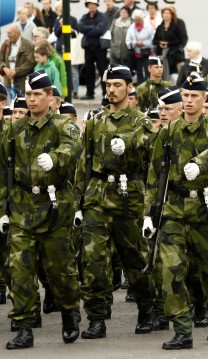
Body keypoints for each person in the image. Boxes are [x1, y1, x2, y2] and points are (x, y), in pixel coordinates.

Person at [142, 74, 208, 349]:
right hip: (174, 210)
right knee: (170, 270)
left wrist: (201, 164)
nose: (190, 100)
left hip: (205, 209)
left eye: (195, 96)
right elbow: (156, 174)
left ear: (205, 99)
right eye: (186, 95)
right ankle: (182, 330)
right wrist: (149, 212)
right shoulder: (168, 132)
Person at [0, 70, 81, 350]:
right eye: (29, 95)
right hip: (22, 208)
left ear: (50, 97)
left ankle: (70, 311)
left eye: (37, 94)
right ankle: (24, 326)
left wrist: (55, 157)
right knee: (19, 270)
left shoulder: (61, 125)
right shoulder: (14, 129)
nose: (32, 100)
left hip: (54, 208)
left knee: (60, 271)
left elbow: (74, 146)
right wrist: (3, 208)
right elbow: (3, 170)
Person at [75, 64, 157, 339]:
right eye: (108, 85)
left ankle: (148, 308)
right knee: (93, 261)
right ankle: (97, 317)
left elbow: (149, 143)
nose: (111, 90)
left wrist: (128, 141)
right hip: (97, 196)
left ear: (129, 87)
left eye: (117, 85)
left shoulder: (140, 120)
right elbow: (84, 162)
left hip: (128, 197)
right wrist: (79, 200)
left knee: (134, 259)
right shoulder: (96, 120)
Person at [79, 0, 109, 100]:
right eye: (90, 4)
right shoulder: (84, 16)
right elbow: (80, 27)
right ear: (88, 6)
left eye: (93, 4)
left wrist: (88, 30)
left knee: (102, 70)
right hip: (88, 48)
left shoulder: (102, 17)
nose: (91, 6)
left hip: (99, 48)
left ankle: (106, 92)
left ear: (96, 5)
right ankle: (89, 93)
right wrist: (93, 29)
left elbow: (101, 30)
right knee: (89, 71)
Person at [153, 6, 188, 80]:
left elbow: (181, 40)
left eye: (168, 13)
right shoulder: (160, 27)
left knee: (175, 75)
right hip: (162, 54)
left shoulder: (176, 25)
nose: (166, 15)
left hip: (173, 54)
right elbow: (154, 40)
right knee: (163, 73)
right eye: (164, 13)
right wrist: (160, 43)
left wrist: (168, 44)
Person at [0, 24, 36, 94]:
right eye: (7, 33)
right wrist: (4, 68)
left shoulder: (28, 45)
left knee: (22, 104)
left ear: (17, 33)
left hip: (22, 83)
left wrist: (16, 71)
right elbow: (0, 60)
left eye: (10, 33)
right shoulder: (5, 45)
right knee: (9, 104)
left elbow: (30, 63)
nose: (8, 36)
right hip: (8, 83)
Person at [126, 9, 155, 86]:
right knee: (139, 71)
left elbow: (153, 40)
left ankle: (148, 85)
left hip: (147, 53)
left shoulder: (149, 27)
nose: (137, 21)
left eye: (139, 19)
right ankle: (140, 86)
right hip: (136, 54)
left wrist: (144, 43)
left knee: (147, 70)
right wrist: (135, 43)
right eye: (136, 20)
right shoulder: (131, 28)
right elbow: (128, 41)